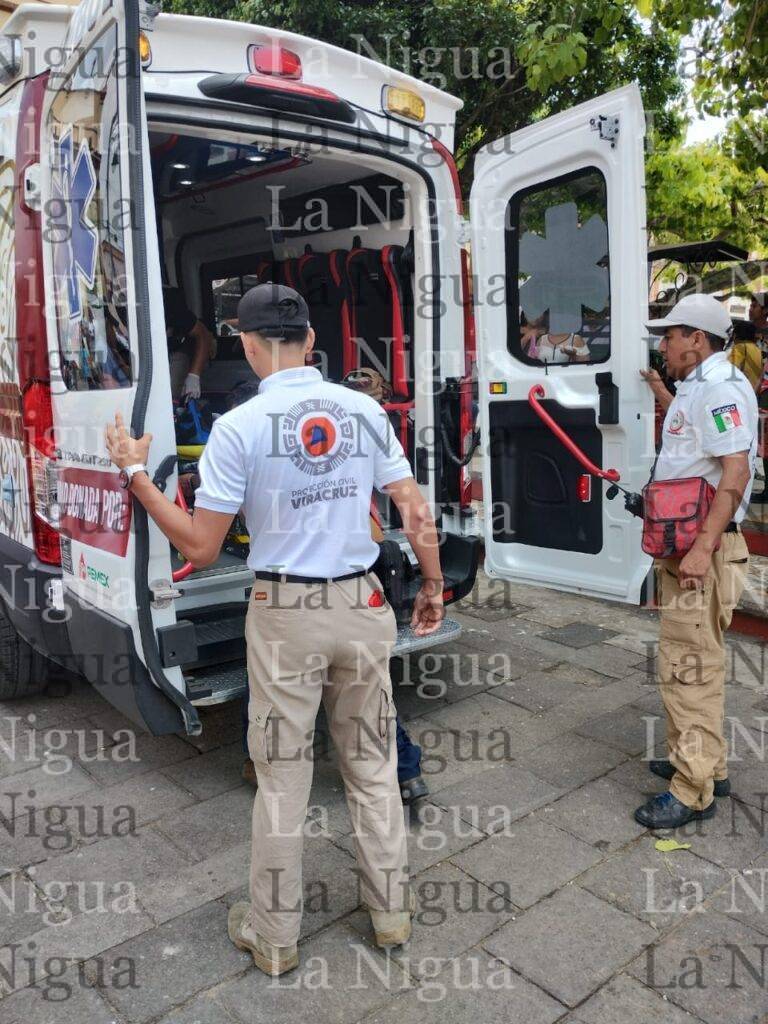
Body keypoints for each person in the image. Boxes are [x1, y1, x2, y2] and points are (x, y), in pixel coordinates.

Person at [106, 283, 445, 975]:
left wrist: (138, 475)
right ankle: (389, 915)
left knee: (283, 775)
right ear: (312, 342)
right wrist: (433, 584)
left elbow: (200, 549)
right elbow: (412, 506)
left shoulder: (238, 428)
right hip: (364, 605)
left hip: (288, 615)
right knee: (374, 766)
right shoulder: (364, 409)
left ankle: (275, 934)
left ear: (249, 345)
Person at [637, 293, 756, 830]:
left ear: (698, 339)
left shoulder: (719, 390)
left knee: (687, 672)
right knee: (698, 664)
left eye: (670, 335)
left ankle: (692, 791)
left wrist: (702, 550)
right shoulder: (698, 386)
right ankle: (711, 765)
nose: (664, 344)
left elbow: (735, 472)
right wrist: (660, 390)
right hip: (689, 549)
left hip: (700, 553)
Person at [163, 285, 216, 401]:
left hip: (174, 350)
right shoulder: (115, 307)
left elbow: (203, 335)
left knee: (171, 394)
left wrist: (194, 376)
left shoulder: (167, 302)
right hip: (137, 357)